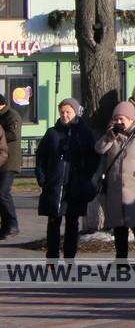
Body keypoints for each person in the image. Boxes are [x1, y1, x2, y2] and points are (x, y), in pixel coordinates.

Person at [95, 100, 135, 259]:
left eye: (122, 119)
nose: (119, 122)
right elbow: (99, 149)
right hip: (115, 188)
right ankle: (121, 259)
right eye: (116, 119)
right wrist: (111, 136)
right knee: (119, 228)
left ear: (131, 119)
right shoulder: (112, 136)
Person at [35, 98, 96, 259]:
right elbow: (40, 157)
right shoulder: (52, 133)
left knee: (72, 223)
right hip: (54, 184)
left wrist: (85, 175)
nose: (65, 115)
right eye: (62, 112)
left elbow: (92, 157)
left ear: (75, 112)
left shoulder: (84, 134)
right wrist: (42, 178)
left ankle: (70, 257)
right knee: (53, 222)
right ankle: (52, 256)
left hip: (75, 185)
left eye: (68, 112)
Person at [0, 92, 23, 239]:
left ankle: (12, 224)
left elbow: (13, 134)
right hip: (1, 159)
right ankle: (6, 226)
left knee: (2, 192)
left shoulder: (12, 115)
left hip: (10, 161)